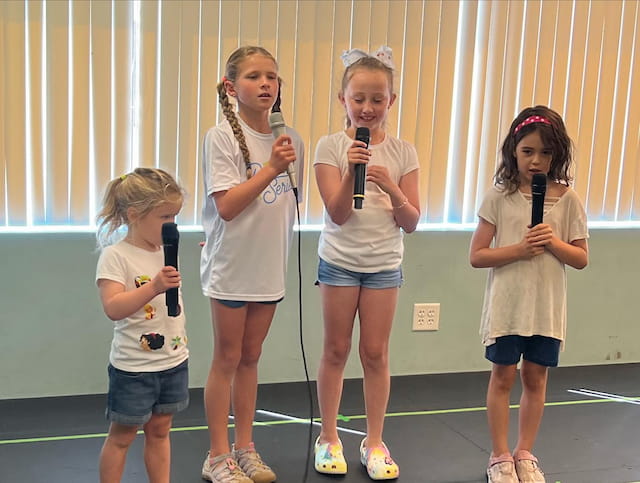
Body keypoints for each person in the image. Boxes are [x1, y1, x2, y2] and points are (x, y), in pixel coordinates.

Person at [313, 46, 420, 481]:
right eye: (359, 99)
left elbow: (410, 221)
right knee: (336, 350)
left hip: (383, 266)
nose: (368, 107)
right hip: (339, 261)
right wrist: (349, 170)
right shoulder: (330, 146)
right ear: (343, 100)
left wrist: (393, 188)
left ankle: (374, 441)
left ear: (391, 101)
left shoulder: (403, 151)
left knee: (375, 353)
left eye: (377, 99)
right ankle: (329, 436)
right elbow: (337, 213)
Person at [199, 45, 304, 483]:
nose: (266, 84)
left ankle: (246, 447)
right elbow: (228, 206)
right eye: (254, 76)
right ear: (231, 86)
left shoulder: (291, 138)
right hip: (231, 267)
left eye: (272, 77)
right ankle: (217, 456)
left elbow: (287, 205)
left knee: (251, 357)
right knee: (227, 357)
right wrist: (271, 168)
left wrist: (280, 163)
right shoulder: (221, 136)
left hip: (268, 268)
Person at [469, 105, 589, 483]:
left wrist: (552, 241)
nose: (536, 161)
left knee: (536, 379)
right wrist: (518, 250)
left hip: (546, 310)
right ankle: (499, 454)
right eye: (528, 152)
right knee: (503, 377)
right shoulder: (499, 197)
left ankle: (524, 452)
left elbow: (581, 258)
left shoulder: (568, 200)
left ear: (558, 155)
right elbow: (477, 255)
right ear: (513, 151)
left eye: (546, 153)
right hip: (508, 308)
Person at [95, 167, 189, 483]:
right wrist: (153, 287)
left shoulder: (167, 250)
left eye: (175, 216)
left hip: (173, 362)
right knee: (122, 436)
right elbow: (113, 307)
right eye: (165, 217)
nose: (172, 225)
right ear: (135, 215)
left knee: (161, 431)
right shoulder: (116, 256)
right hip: (134, 368)